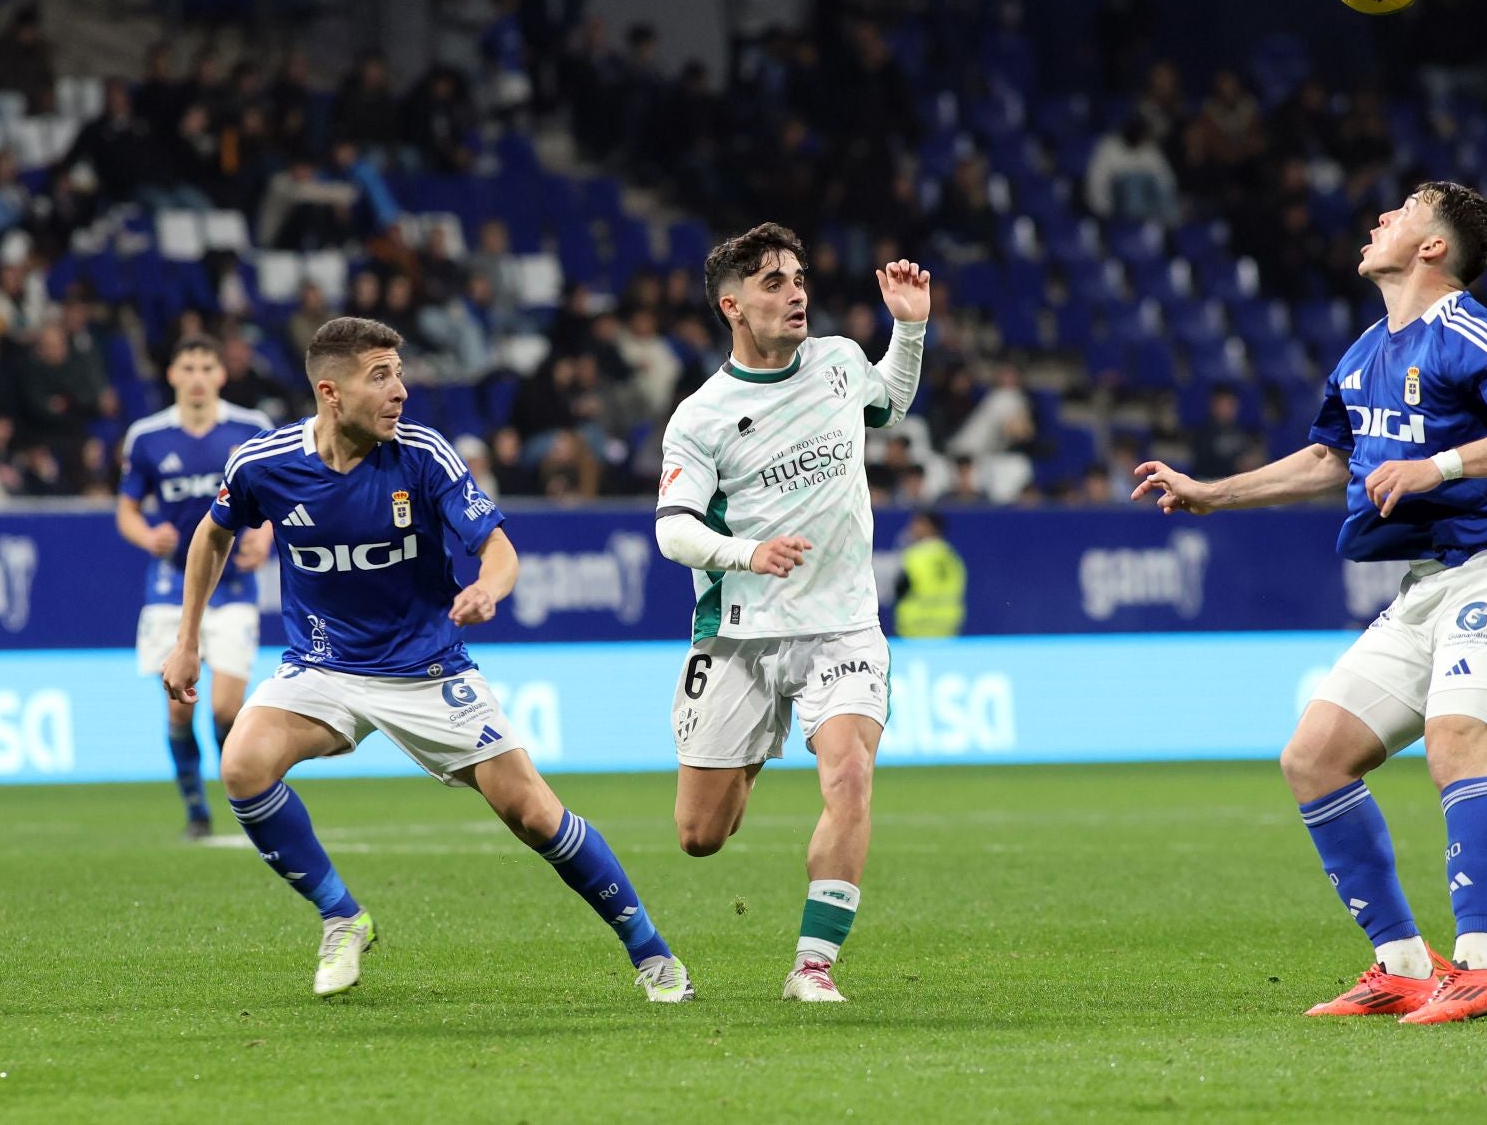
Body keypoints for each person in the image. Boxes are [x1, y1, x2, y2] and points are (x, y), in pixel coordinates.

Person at [1133, 182, 1487, 1024]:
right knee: (1313, 757)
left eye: (1403, 209)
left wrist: (1437, 468)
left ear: (1433, 248)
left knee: (1457, 748)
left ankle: (1484, 966)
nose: (1381, 218)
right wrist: (1210, 493)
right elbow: (1328, 460)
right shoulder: (1368, 350)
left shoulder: (1463, 329)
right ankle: (1404, 967)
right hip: (1429, 585)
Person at [164, 316, 693, 1002]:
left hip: (427, 666)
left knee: (534, 815)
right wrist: (187, 640)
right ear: (331, 391)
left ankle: (653, 955)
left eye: (400, 373)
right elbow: (212, 535)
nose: (400, 391)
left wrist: (487, 590)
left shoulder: (423, 455)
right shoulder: (264, 465)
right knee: (241, 764)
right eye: (379, 376)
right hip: (323, 666)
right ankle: (341, 915)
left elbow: (500, 550)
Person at [654, 223, 929, 1002]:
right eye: (774, 283)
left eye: (800, 277)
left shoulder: (841, 364)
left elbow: (893, 403)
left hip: (842, 623)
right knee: (701, 836)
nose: (797, 292)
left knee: (849, 775)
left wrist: (909, 325)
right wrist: (748, 553)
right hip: (741, 633)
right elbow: (673, 530)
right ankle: (759, 739)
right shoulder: (701, 416)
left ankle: (812, 967)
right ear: (732, 306)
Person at [118, 336, 275, 838]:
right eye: (188, 366)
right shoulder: (146, 437)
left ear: (221, 374)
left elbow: (279, 494)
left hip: (231, 588)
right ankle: (195, 810)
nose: (198, 376)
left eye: (208, 365)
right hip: (171, 589)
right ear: (172, 375)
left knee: (227, 707)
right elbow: (126, 508)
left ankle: (241, 796)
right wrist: (148, 534)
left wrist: (265, 536)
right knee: (179, 712)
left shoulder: (251, 428)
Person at [892, 510, 965, 638]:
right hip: (947, 626)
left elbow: (900, 589)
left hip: (916, 626)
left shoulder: (915, 556)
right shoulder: (953, 558)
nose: (912, 527)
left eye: (918, 523)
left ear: (930, 527)